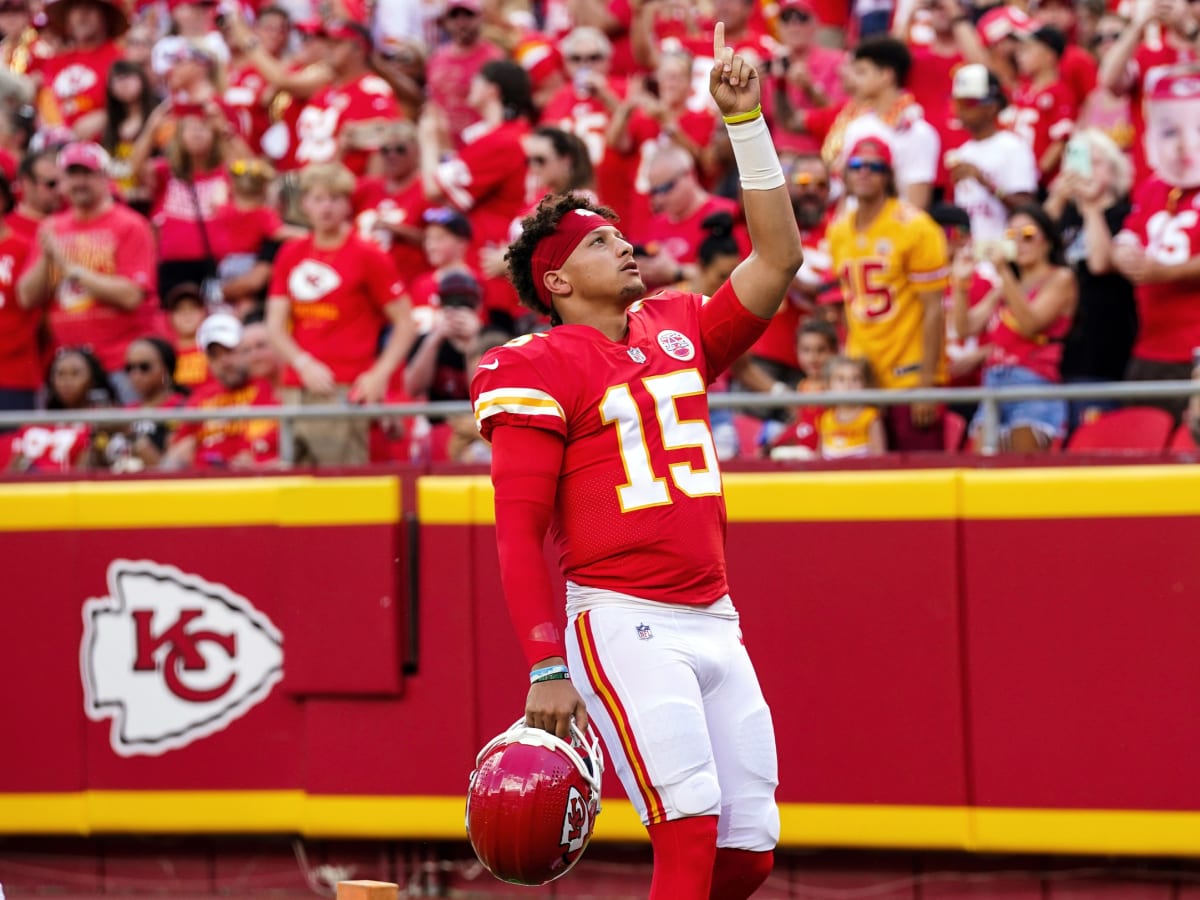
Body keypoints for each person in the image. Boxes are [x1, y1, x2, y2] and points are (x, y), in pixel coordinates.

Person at [470, 24, 803, 899]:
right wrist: (545, 661)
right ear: (558, 281)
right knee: (687, 832)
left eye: (617, 233)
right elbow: (516, 530)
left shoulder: (681, 326)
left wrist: (745, 123)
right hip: (624, 617)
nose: (621, 243)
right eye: (596, 241)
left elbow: (778, 259)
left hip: (714, 614)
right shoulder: (536, 364)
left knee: (748, 852)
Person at [265, 162, 415, 466]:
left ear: (348, 204)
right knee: (292, 490)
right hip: (298, 384)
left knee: (342, 488)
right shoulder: (290, 253)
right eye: (319, 199)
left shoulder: (368, 254)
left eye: (335, 199)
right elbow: (274, 325)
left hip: (344, 386)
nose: (326, 208)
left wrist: (379, 375)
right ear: (304, 203)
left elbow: (406, 322)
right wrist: (302, 363)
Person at [828, 135, 949, 450]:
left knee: (920, 484)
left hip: (909, 376)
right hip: (862, 380)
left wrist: (926, 384)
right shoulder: (838, 230)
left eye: (874, 167)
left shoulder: (915, 226)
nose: (864, 172)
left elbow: (934, 308)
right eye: (856, 165)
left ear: (888, 175)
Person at [16, 141, 159, 395]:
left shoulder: (130, 225)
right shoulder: (51, 227)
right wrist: (47, 258)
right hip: (66, 368)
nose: (79, 182)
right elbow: (27, 297)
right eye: (72, 174)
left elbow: (131, 295)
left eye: (87, 174)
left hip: (120, 365)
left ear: (105, 178)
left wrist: (71, 268)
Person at [952, 205, 1078, 450]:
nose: (1019, 243)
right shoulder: (1005, 286)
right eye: (1011, 236)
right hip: (993, 383)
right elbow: (965, 328)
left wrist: (1003, 272)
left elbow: (1030, 324)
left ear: (1048, 241)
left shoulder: (1060, 278)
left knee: (1024, 473)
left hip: (1032, 384)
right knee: (983, 472)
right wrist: (961, 283)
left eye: (1028, 235)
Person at [1043, 128, 1137, 426]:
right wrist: (1057, 198)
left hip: (1106, 343)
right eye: (1080, 162)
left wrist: (1091, 208)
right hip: (1062, 348)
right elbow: (1030, 245)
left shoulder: (1126, 214)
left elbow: (1099, 263)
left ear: (1115, 169)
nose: (1086, 172)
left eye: (1095, 162)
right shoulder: (1066, 216)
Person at [163, 312, 280, 469]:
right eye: (215, 356)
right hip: (205, 484)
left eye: (229, 351)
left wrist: (258, 467)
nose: (224, 362)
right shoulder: (201, 398)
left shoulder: (269, 389)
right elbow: (177, 452)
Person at [946, 63, 1037, 243]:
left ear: (992, 106)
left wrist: (987, 183)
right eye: (957, 102)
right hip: (971, 254)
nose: (960, 110)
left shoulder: (1013, 147)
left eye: (969, 103)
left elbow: (1028, 207)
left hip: (1005, 249)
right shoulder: (963, 152)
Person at [9, 347, 117, 472]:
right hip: (30, 489)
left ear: (92, 380)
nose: (67, 381)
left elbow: (87, 474)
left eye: (75, 373)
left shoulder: (104, 419)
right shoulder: (36, 422)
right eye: (60, 374)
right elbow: (11, 474)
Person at [817, 355, 887, 458]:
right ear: (829, 385)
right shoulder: (826, 419)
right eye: (841, 379)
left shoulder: (871, 417)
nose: (848, 384)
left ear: (864, 384)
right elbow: (819, 457)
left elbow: (879, 457)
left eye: (855, 379)